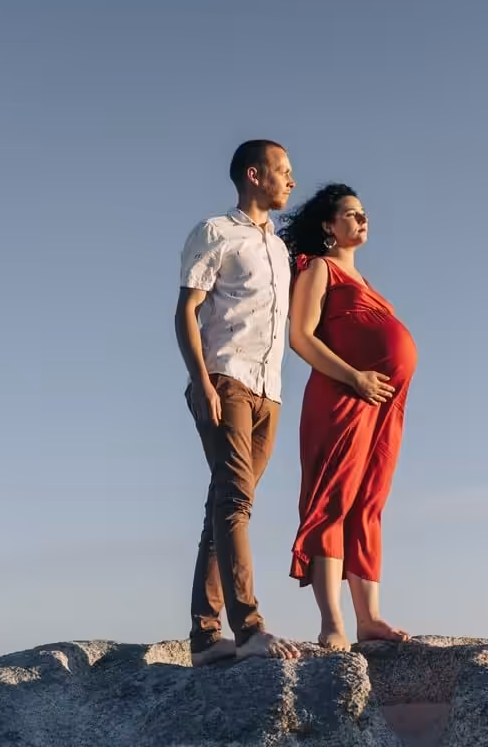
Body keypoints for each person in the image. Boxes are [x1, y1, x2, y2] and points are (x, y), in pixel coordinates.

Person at [174, 139, 303, 665]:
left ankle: (205, 637)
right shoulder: (215, 232)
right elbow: (186, 309)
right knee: (235, 504)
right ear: (254, 175)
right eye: (284, 171)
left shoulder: (279, 249)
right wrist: (201, 382)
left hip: (270, 390)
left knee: (222, 508)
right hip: (225, 379)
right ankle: (248, 628)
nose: (291, 180)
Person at [279, 183, 417, 652]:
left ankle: (370, 618)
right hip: (342, 397)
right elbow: (300, 336)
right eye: (352, 214)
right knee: (332, 503)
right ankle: (332, 623)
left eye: (364, 214)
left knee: (370, 504)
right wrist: (356, 378)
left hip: (383, 405)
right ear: (328, 226)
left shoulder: (366, 284)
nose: (363, 220)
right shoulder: (320, 269)